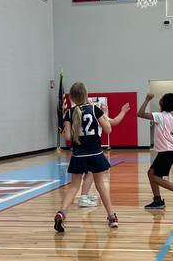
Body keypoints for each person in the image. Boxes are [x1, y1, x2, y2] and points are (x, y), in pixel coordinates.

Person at [54, 82, 119, 233]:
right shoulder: (94, 109)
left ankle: (62, 213)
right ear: (86, 94)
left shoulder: (69, 113)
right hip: (95, 154)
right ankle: (112, 217)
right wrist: (104, 114)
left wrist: (63, 130)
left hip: (78, 155)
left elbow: (68, 137)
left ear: (72, 97)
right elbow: (108, 130)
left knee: (74, 187)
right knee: (100, 185)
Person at [138, 92, 173, 210]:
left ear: (162, 102)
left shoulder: (160, 116)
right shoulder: (169, 116)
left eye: (161, 98)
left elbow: (140, 114)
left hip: (167, 151)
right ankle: (157, 201)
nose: (160, 99)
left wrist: (147, 99)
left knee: (155, 177)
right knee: (151, 173)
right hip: (168, 150)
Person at [77, 103, 130, 207]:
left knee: (89, 174)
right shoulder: (96, 113)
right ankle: (83, 197)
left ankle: (85, 195)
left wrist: (105, 112)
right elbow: (114, 122)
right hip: (92, 149)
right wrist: (122, 111)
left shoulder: (82, 113)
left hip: (83, 148)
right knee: (90, 174)